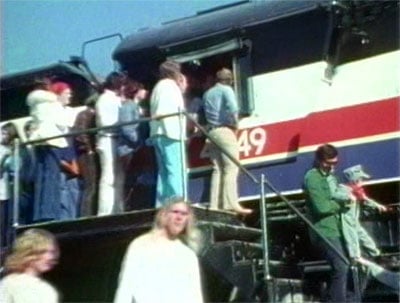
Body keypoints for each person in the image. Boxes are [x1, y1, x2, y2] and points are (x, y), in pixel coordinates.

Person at [113, 197, 203, 303]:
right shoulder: (141, 245)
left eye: (184, 214)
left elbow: (195, 297)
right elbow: (125, 288)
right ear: (164, 214)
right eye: (175, 212)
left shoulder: (188, 256)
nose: (179, 217)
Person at [304, 144, 354, 302]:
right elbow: (322, 207)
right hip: (324, 230)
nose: (332, 167)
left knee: (349, 265)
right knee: (341, 266)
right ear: (319, 160)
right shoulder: (312, 178)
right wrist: (342, 203)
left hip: (336, 228)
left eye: (335, 163)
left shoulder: (330, 177)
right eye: (328, 163)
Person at [203, 68, 252, 215]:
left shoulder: (207, 94)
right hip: (225, 131)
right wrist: (235, 125)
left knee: (217, 169)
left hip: (211, 132)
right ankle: (230, 204)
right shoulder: (227, 90)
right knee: (231, 167)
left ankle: (213, 204)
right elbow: (233, 108)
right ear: (229, 80)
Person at [149, 61, 187, 207]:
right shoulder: (171, 87)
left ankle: (162, 204)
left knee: (163, 173)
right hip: (171, 133)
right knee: (175, 170)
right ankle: (178, 202)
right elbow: (170, 110)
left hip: (157, 133)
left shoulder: (157, 87)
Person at [0, 228, 60, 303]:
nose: (51, 257)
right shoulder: (9, 284)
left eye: (53, 252)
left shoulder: (46, 288)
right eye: (43, 251)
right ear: (28, 253)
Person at [95, 72, 125, 215]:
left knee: (118, 175)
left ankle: (117, 208)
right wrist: (121, 123)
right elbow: (103, 122)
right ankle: (105, 211)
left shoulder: (115, 99)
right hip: (107, 139)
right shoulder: (104, 99)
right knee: (108, 176)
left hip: (116, 139)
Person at [73, 94, 100, 217]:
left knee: (91, 185)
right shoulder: (85, 115)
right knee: (90, 185)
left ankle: (88, 212)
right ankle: (86, 213)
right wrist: (89, 149)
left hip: (86, 152)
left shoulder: (85, 114)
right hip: (86, 154)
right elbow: (80, 134)